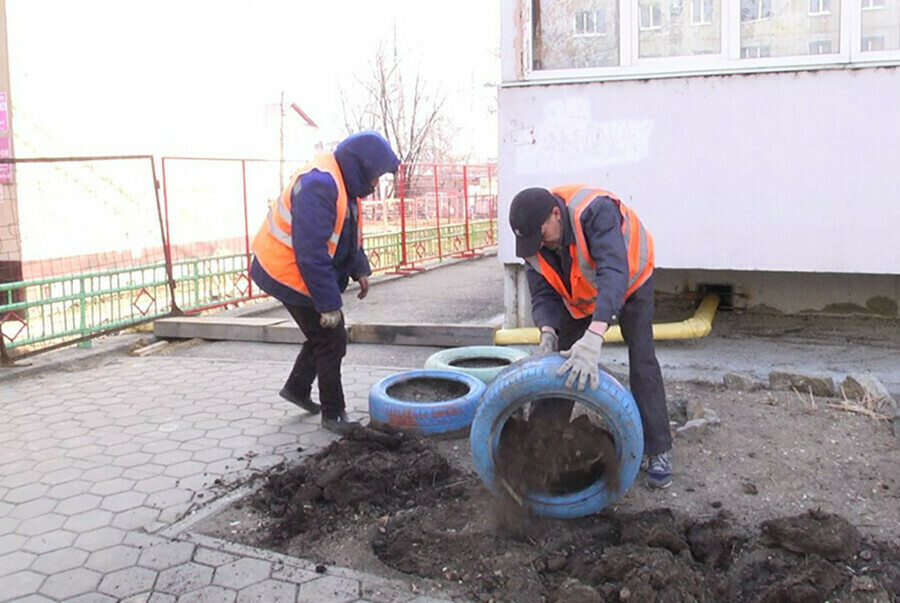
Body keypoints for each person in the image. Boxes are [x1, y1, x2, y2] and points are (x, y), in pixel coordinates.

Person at [508, 185, 674, 489]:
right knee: (560, 361)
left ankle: (658, 450)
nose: (538, 245)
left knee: (642, 357)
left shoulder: (595, 212)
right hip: (580, 296)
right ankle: (542, 445)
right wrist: (548, 332)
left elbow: (614, 274)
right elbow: (543, 294)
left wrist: (595, 335)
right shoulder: (534, 243)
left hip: (631, 281)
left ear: (556, 214)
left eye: (541, 235)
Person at [250, 131, 400, 435]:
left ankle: (297, 388)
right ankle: (334, 414)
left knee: (321, 336)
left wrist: (360, 268)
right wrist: (329, 304)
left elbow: (348, 233)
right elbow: (310, 253)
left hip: (303, 268)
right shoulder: (321, 185)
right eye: (375, 176)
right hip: (288, 270)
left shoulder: (345, 182)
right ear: (361, 167)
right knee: (331, 339)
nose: (375, 184)